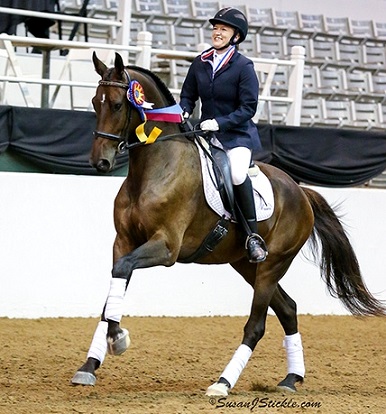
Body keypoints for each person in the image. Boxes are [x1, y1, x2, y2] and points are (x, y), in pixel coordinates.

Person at [180, 7, 268, 263]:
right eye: (216, 28)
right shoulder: (201, 62)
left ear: (236, 37)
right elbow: (188, 95)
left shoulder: (244, 67)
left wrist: (219, 123)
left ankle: (252, 236)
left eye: (224, 29)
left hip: (236, 136)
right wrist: (185, 110)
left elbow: (248, 109)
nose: (217, 32)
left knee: (238, 174)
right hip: (205, 136)